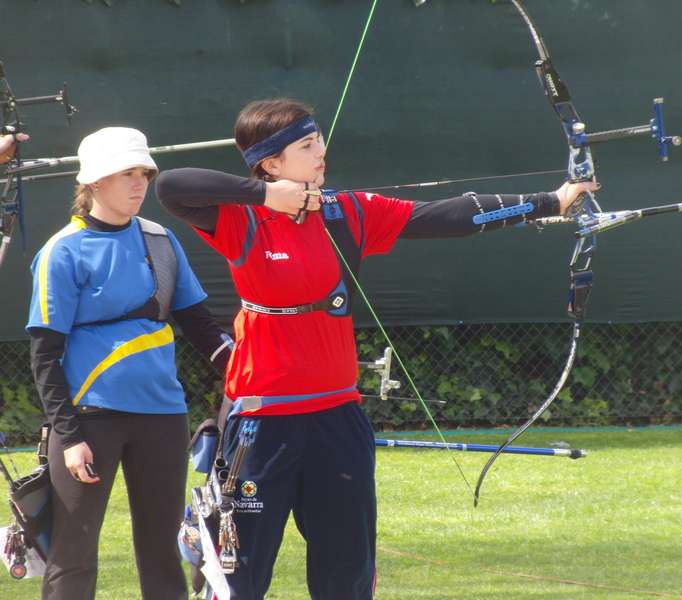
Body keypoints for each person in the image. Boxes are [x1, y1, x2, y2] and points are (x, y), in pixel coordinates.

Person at [156, 97, 598, 600]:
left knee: (346, 573)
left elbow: (446, 216)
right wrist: (265, 195)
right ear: (272, 163)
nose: (321, 152)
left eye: (319, 139)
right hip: (263, 420)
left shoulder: (346, 212)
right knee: (239, 572)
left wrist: (551, 201)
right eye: (307, 146)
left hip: (337, 418)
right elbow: (172, 187)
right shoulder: (241, 219)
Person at [27, 127, 232, 600]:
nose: (140, 183)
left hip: (163, 416)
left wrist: (243, 367)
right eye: (127, 174)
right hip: (89, 420)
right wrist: (69, 437)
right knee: (72, 554)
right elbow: (45, 355)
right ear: (95, 181)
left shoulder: (161, 239)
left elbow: (199, 324)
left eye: (144, 173)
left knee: (163, 551)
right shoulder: (62, 250)